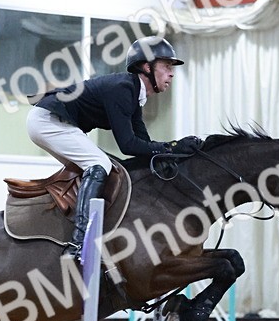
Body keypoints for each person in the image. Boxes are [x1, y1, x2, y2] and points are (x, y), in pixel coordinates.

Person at [27, 36, 202, 261]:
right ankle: (80, 243)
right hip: (47, 121)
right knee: (100, 164)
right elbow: (128, 145)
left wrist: (173, 152)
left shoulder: (134, 95)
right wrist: (172, 146)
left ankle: (74, 228)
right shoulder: (122, 89)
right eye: (166, 66)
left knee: (105, 167)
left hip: (52, 121)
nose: (171, 73)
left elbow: (144, 147)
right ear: (146, 67)